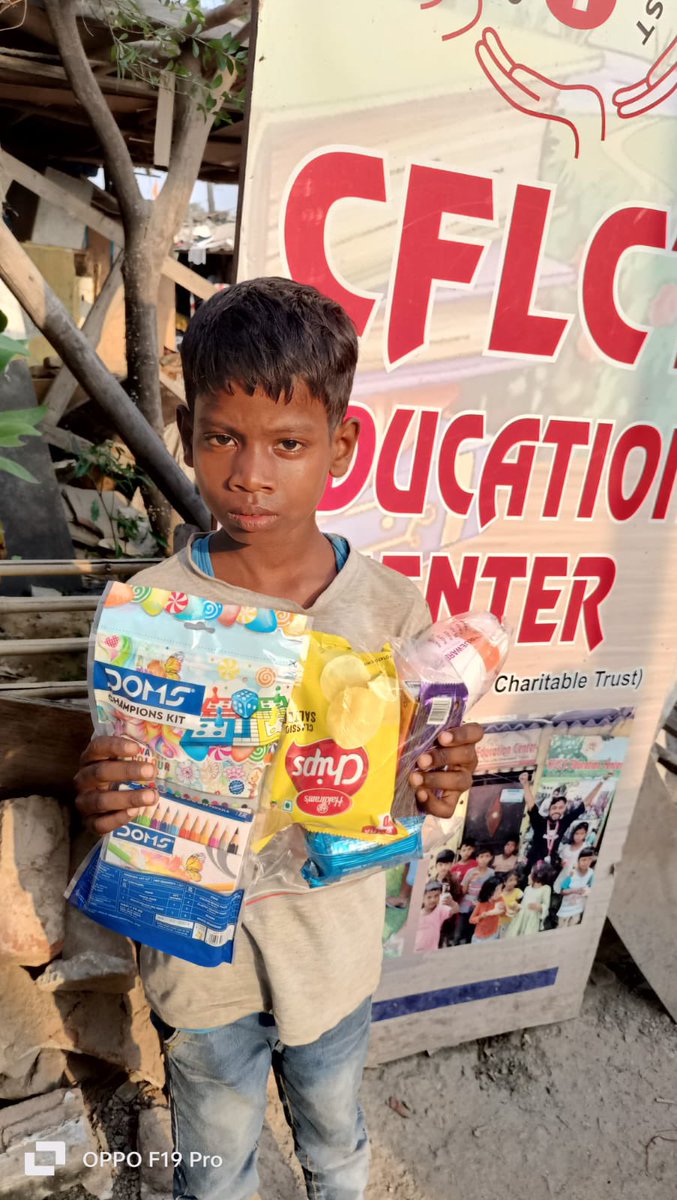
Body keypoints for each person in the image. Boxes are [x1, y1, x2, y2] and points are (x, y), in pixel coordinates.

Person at [73, 279, 483, 1200]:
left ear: (341, 446)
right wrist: (99, 795)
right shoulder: (149, 614)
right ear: (190, 437)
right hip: (198, 977)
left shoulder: (389, 611)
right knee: (215, 1174)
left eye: (287, 444)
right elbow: (115, 785)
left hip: (334, 966)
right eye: (221, 437)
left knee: (336, 1148)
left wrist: (440, 787)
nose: (249, 473)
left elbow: (413, 809)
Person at [519, 773, 585, 873]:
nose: (557, 811)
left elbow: (582, 807)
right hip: (533, 866)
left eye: (560, 808)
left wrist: (602, 781)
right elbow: (531, 805)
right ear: (548, 809)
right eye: (554, 808)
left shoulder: (564, 823)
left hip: (550, 867)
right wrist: (525, 784)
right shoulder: (540, 822)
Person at [456, 847, 494, 944]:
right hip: (466, 903)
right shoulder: (470, 872)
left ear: (491, 858)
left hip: (481, 904)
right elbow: (463, 891)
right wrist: (469, 880)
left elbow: (491, 892)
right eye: (481, 856)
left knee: (473, 932)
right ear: (476, 859)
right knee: (460, 932)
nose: (484, 859)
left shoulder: (491, 873)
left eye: (487, 856)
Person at [506, 864, 551, 937]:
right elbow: (523, 903)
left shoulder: (546, 889)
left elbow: (546, 905)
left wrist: (539, 907)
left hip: (532, 918)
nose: (528, 876)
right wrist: (517, 907)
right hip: (521, 916)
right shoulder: (527, 889)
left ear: (538, 876)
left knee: (528, 935)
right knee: (514, 933)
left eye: (531, 874)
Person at [415, 880, 460, 953]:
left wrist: (452, 903)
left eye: (436, 896)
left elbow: (456, 910)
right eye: (429, 897)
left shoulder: (439, 910)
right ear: (422, 898)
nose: (433, 900)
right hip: (416, 950)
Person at [556, 847, 596, 927]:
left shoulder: (591, 874)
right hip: (566, 908)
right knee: (561, 926)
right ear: (579, 860)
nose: (586, 862)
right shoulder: (572, 873)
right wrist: (575, 891)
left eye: (589, 860)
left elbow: (591, 890)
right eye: (584, 860)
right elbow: (563, 890)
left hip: (578, 909)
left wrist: (586, 892)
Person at [469, 876, 505, 943]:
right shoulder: (481, 903)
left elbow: (502, 913)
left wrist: (503, 910)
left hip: (493, 935)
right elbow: (471, 920)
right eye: (497, 889)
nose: (500, 892)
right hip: (479, 936)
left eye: (501, 889)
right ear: (490, 890)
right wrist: (482, 916)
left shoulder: (500, 899)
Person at [498, 870, 523, 936]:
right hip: (502, 923)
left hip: (514, 922)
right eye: (510, 880)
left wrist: (517, 907)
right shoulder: (499, 894)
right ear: (504, 882)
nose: (513, 882)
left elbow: (522, 905)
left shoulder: (518, 892)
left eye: (515, 880)